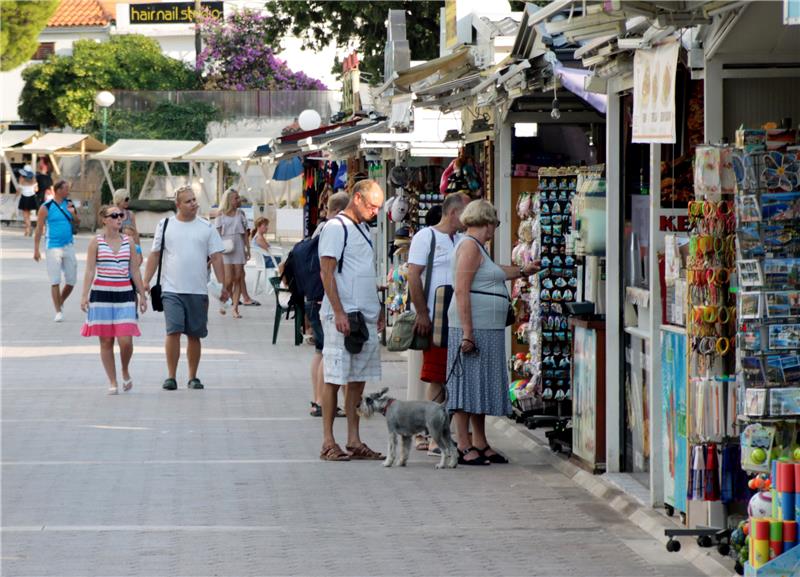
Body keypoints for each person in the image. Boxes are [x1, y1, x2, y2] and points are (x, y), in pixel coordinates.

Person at [447, 199, 539, 465]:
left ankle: (480, 441)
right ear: (486, 222)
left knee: (480, 386)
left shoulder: (478, 248)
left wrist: (523, 271)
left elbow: (494, 273)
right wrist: (467, 332)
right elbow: (462, 289)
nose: (495, 229)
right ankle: (463, 444)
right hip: (473, 328)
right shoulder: (469, 247)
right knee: (466, 386)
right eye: (495, 224)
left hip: (486, 328)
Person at [318, 180, 385, 461]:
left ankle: (354, 439)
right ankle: (328, 441)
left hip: (365, 315)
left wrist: (378, 307)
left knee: (358, 379)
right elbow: (327, 272)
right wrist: (339, 311)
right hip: (343, 316)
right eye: (371, 206)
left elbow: (363, 271)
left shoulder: (364, 228)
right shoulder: (336, 227)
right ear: (357, 198)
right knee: (335, 377)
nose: (374, 212)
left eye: (378, 208)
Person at [143, 186, 229, 391]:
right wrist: (146, 280)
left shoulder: (206, 228)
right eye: (189, 201)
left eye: (194, 200)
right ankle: (171, 376)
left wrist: (223, 285)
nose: (194, 204)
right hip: (171, 289)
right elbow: (155, 254)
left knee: (194, 334)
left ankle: (192, 376)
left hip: (198, 289)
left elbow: (217, 257)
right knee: (173, 331)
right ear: (178, 205)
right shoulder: (165, 226)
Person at [406, 192, 469, 453]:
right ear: (454, 213)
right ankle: (432, 435)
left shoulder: (464, 239)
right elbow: (413, 275)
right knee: (436, 376)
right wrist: (422, 313)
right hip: (435, 318)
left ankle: (441, 434)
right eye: (466, 212)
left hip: (458, 317)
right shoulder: (426, 237)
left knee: (455, 376)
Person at [80, 205, 148, 394]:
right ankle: (113, 381)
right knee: (106, 341)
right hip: (101, 295)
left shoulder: (129, 242)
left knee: (125, 340)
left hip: (124, 294)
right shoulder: (96, 242)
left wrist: (142, 295)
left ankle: (125, 369)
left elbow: (134, 270)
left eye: (121, 215)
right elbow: (89, 270)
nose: (120, 218)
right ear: (104, 219)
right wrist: (84, 295)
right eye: (115, 215)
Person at [307, 191, 349, 417]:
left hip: (314, 297)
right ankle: (323, 402)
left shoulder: (320, 229)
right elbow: (328, 270)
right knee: (327, 353)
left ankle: (318, 399)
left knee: (320, 352)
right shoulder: (334, 229)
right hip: (325, 298)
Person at [33, 180, 79, 322]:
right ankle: (58, 311)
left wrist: (73, 213)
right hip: (52, 246)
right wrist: (36, 249)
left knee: (71, 280)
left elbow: (78, 222)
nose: (68, 191)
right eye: (66, 189)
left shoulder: (69, 204)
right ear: (58, 190)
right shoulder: (45, 207)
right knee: (55, 280)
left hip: (69, 245)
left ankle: (60, 301)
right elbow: (39, 229)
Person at [215, 188, 249, 318]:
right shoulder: (221, 214)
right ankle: (223, 302)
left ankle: (235, 308)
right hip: (226, 249)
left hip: (239, 247)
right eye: (236, 198)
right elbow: (216, 235)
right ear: (229, 200)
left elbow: (245, 233)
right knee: (228, 280)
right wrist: (216, 251)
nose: (238, 200)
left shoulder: (241, 214)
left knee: (238, 278)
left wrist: (248, 249)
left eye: (238, 197)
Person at [16, 164, 38, 236]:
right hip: (31, 197)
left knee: (25, 215)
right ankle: (27, 230)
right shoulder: (34, 178)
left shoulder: (21, 178)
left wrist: (15, 196)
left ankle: (28, 228)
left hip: (24, 197)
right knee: (28, 215)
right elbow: (36, 189)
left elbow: (19, 189)